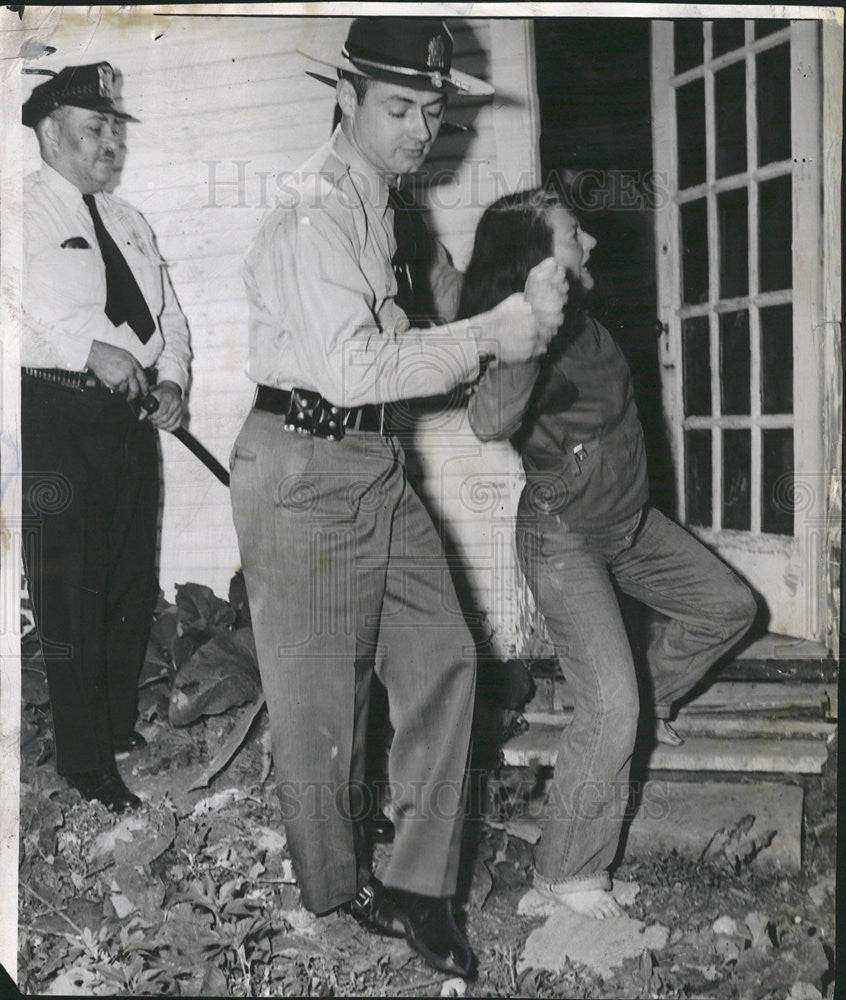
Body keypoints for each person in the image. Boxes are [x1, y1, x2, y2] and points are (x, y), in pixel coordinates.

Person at [230, 18, 566, 978]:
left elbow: (398, 335)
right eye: (401, 107)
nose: (422, 128)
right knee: (322, 703)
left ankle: (423, 887)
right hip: (303, 463)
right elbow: (347, 367)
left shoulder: (384, 203)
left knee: (447, 658)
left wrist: (492, 322)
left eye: (433, 109)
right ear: (346, 98)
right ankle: (337, 887)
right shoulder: (313, 213)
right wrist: (489, 336)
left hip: (374, 463)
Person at [464, 187, 757, 919]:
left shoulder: (587, 321)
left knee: (728, 607)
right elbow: (487, 419)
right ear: (535, 264)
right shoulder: (527, 337)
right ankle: (563, 873)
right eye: (572, 235)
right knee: (610, 702)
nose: (589, 242)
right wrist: (530, 322)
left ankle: (638, 712)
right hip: (564, 538)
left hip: (628, 523)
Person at [21, 63, 191, 812]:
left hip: (131, 417)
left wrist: (175, 380)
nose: (110, 143)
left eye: (116, 128)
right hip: (58, 414)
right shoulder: (18, 213)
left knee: (127, 580)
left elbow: (171, 317)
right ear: (51, 131)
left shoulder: (127, 220)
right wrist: (85, 350)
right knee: (72, 588)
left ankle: (116, 727)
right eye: (95, 129)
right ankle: (84, 761)